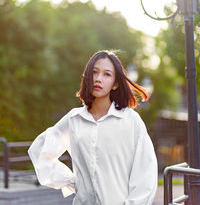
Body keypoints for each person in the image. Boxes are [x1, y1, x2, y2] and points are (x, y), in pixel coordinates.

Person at [28, 50, 158, 205]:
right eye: (94, 73)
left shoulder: (130, 120)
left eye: (107, 74)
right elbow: (39, 151)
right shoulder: (74, 119)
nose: (98, 79)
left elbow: (146, 173)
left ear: (116, 83)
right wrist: (71, 182)